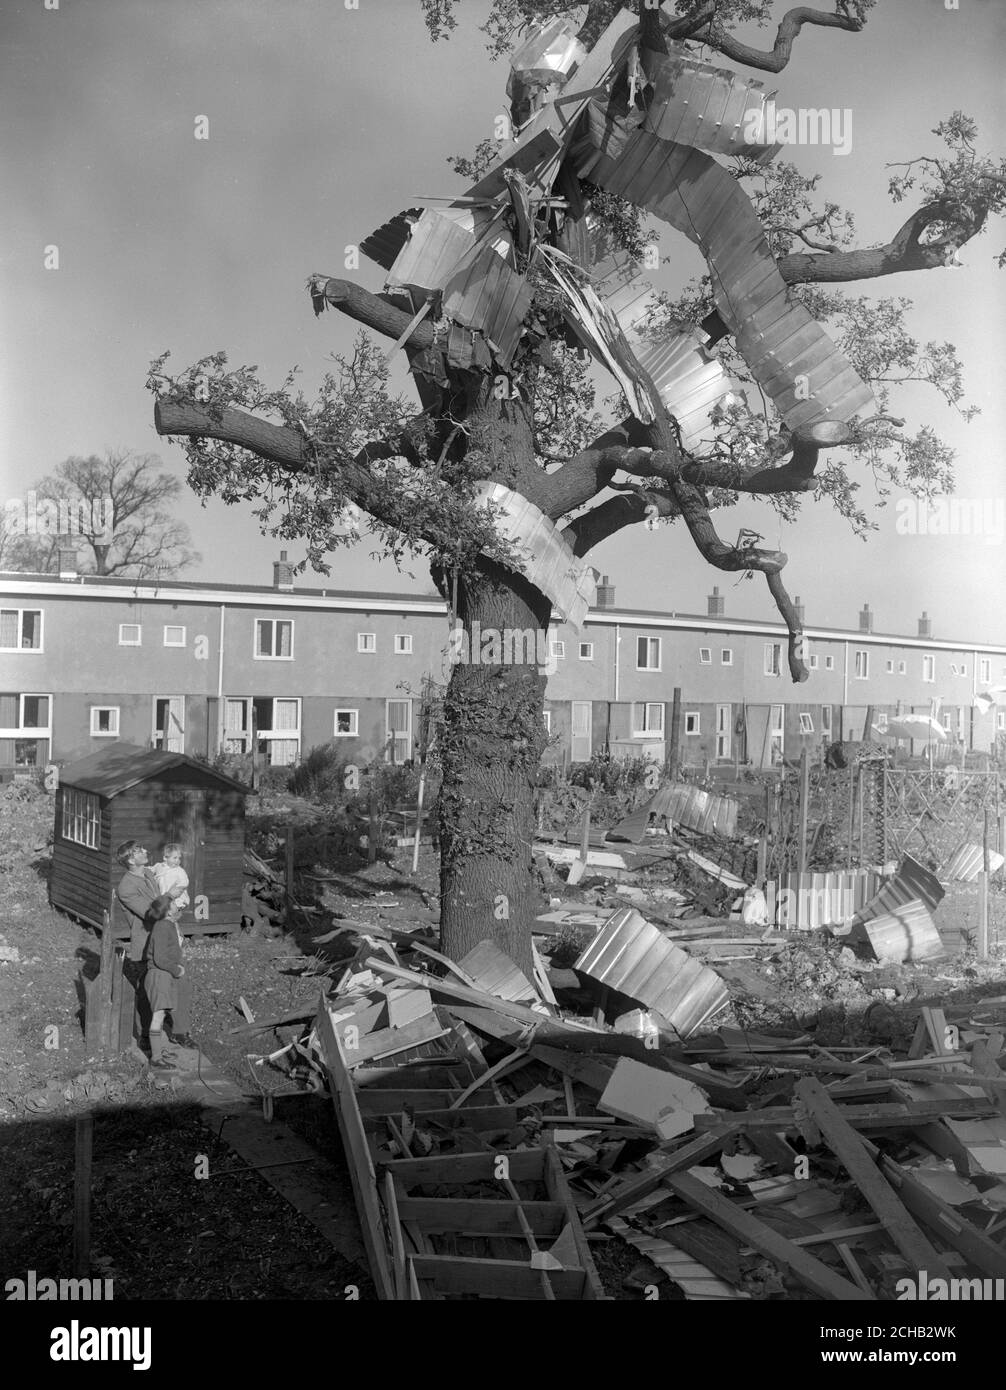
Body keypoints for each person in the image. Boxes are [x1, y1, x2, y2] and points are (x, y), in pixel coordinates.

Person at [142, 894, 189, 1068]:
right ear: (168, 910)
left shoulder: (168, 924)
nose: (177, 905)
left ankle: (159, 1051)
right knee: (158, 1015)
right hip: (159, 975)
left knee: (161, 1016)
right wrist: (177, 970)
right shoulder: (162, 927)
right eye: (174, 904)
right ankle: (155, 1058)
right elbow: (160, 958)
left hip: (164, 976)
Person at [152, 843, 190, 910]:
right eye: (175, 858)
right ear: (165, 858)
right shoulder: (159, 866)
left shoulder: (179, 870)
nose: (177, 860)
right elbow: (150, 870)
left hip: (176, 898)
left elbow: (184, 882)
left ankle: (178, 906)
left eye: (179, 858)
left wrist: (179, 887)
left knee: (173, 911)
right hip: (163, 896)